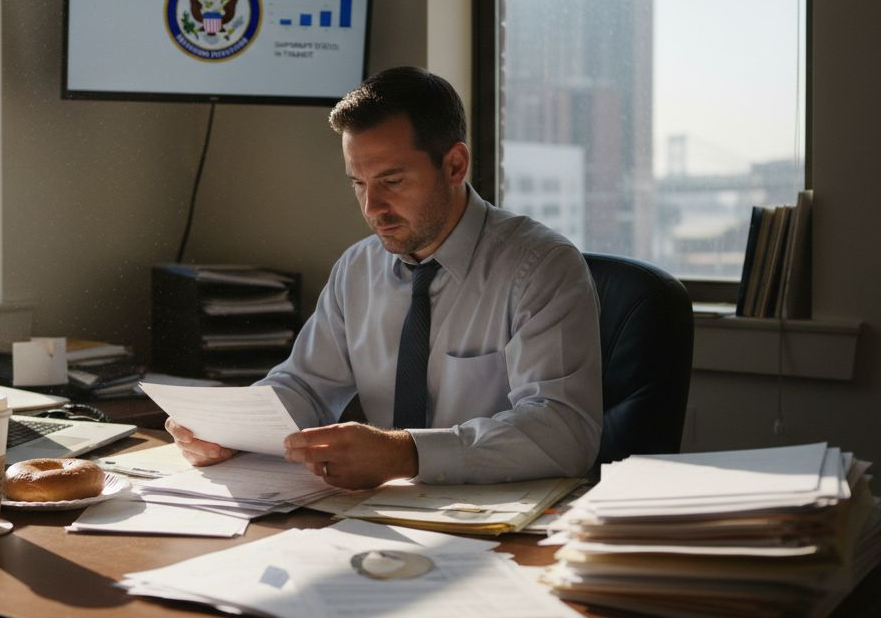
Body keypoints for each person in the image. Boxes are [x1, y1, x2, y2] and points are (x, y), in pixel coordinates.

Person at [167, 66, 602, 489]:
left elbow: (563, 431)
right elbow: (306, 387)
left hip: (500, 524)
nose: (372, 207)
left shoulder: (541, 267)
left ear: (454, 165)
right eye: (359, 183)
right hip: (380, 514)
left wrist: (406, 453)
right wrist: (231, 431)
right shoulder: (357, 269)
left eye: (391, 181)